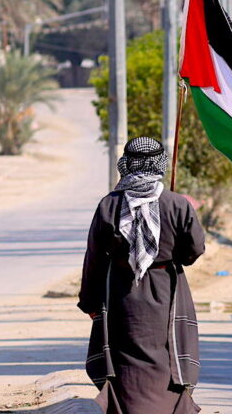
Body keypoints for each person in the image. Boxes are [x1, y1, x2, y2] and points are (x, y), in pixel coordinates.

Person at [77, 137, 205, 413]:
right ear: (160, 163)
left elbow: (95, 259)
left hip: (122, 293)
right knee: (166, 350)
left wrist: (89, 302)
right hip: (167, 290)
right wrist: (175, 256)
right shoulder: (176, 204)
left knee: (125, 354)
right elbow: (194, 249)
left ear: (126, 163)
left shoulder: (109, 205)